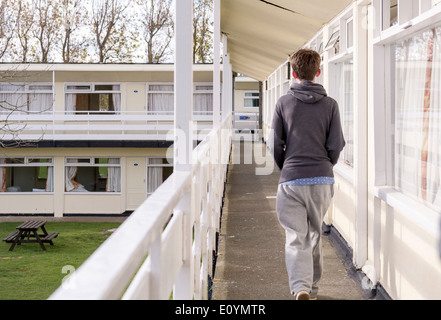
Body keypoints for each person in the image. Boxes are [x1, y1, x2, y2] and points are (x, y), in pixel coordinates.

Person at [270, 49, 345, 300]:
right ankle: (311, 290)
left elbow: (275, 144)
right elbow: (336, 144)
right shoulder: (331, 105)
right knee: (315, 234)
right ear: (318, 72)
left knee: (296, 237)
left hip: (292, 179)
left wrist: (287, 167)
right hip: (322, 179)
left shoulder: (283, 103)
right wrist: (325, 166)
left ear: (293, 74)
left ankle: (301, 287)